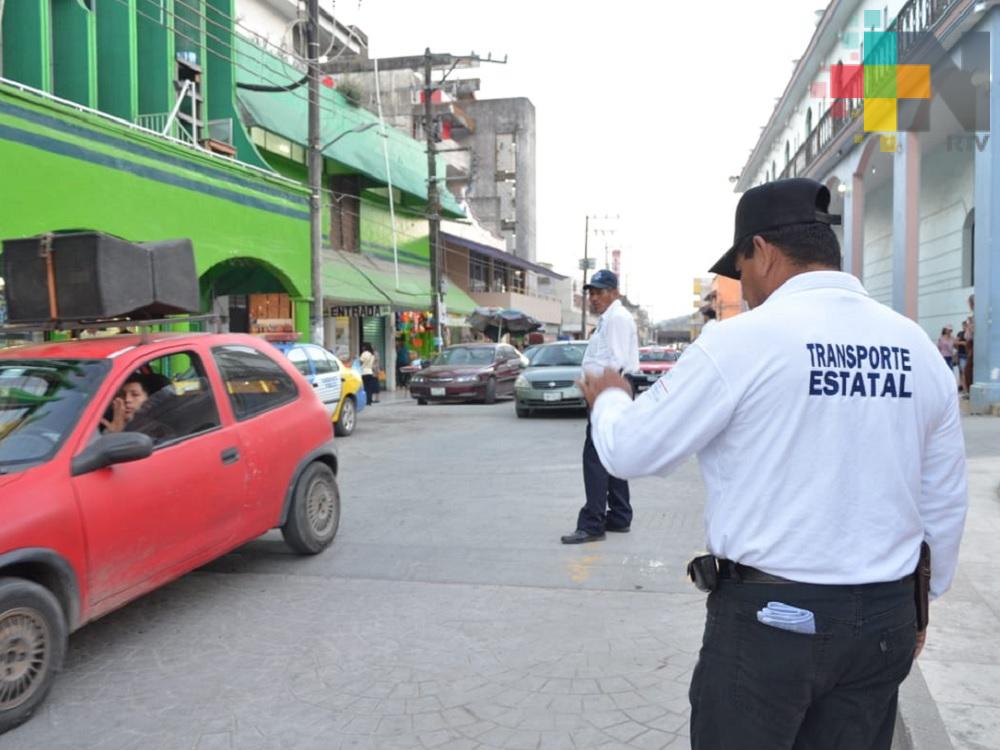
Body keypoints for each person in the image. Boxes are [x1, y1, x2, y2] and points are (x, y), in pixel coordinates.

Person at [578, 178, 968, 749]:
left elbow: (632, 449)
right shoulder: (916, 349)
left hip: (770, 625)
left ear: (762, 250)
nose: (744, 289)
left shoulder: (740, 343)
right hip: (883, 620)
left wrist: (610, 397)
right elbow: (944, 496)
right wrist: (920, 606)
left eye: (740, 270)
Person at [560, 268, 639, 545]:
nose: (593, 298)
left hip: (609, 389)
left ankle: (593, 523)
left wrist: (600, 396)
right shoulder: (609, 319)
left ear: (614, 293)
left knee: (594, 458)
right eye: (591, 293)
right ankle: (619, 515)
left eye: (599, 292)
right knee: (610, 453)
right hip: (610, 390)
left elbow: (615, 361)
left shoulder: (617, 318)